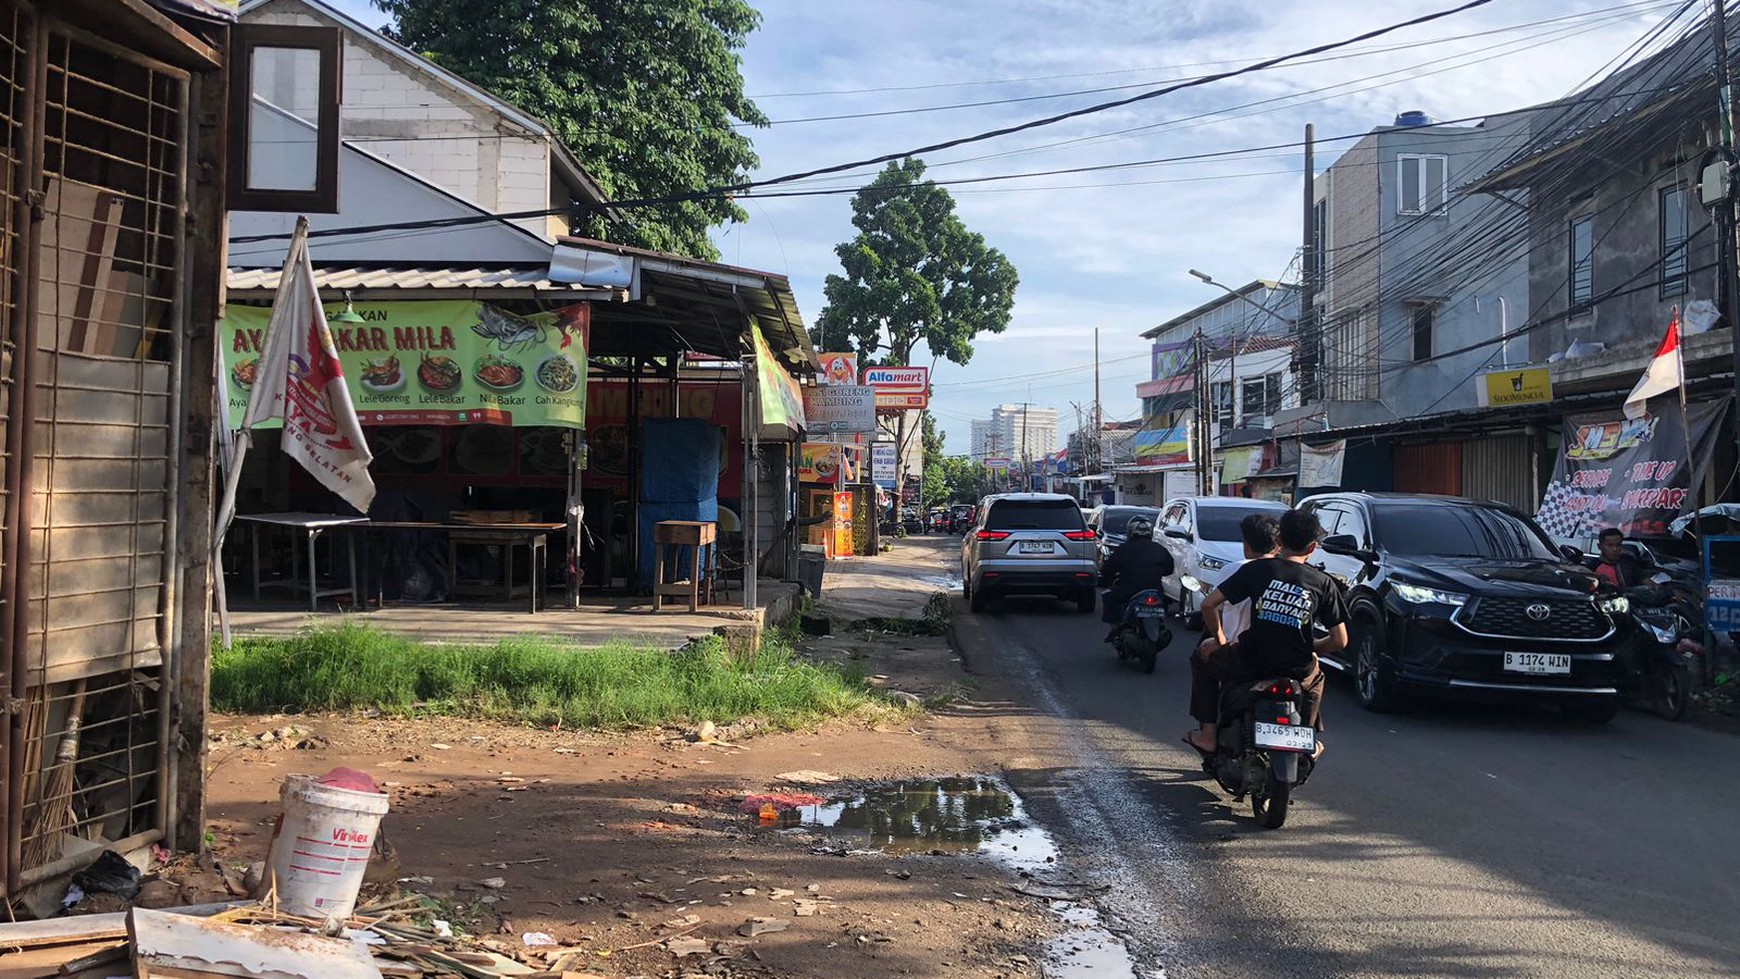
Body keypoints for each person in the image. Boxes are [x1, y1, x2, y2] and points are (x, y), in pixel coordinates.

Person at [1184, 508, 1347, 756]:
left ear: (1279, 541)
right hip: (1296, 666)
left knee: (1201, 657)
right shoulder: (1323, 582)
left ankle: (1208, 734)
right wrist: (1311, 650)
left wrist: (1220, 641)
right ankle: (1308, 738)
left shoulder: (1257, 570)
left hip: (1250, 660)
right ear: (1313, 548)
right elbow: (1339, 640)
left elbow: (1208, 604)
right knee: (1316, 678)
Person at [1196, 513, 1282, 658]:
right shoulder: (1291, 572)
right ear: (1278, 546)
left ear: (1246, 545)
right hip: (1278, 652)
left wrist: (1220, 641)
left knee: (1201, 654)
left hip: (1237, 650)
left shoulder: (1235, 569)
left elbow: (1209, 606)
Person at [1098, 514, 1174, 643]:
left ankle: (1115, 631)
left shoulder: (1124, 549)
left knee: (1109, 597)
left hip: (1129, 590)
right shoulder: (1160, 549)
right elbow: (1169, 569)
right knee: (1165, 601)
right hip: (1155, 591)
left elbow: (1107, 569)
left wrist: (1105, 577)